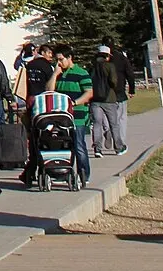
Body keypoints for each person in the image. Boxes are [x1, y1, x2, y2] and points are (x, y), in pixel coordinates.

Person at [53, 46, 93, 185]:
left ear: (69, 58)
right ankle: (64, 173)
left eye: (61, 59)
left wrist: (74, 103)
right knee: (63, 145)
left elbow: (88, 93)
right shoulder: (58, 73)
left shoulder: (81, 73)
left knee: (79, 146)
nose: (59, 63)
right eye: (57, 60)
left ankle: (84, 174)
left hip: (77, 116)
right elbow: (49, 90)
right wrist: (55, 74)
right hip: (61, 117)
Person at [89, 43, 135, 157]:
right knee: (114, 124)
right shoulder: (110, 66)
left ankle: (98, 149)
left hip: (95, 99)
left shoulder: (92, 67)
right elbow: (114, 82)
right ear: (107, 56)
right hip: (109, 99)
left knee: (97, 124)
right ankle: (118, 147)